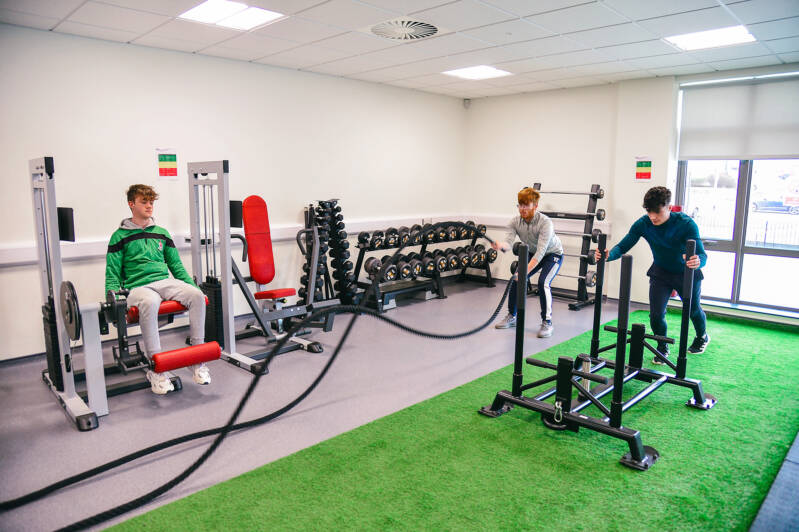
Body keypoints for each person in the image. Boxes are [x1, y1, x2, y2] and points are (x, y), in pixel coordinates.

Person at [105, 184, 210, 394]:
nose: (149, 206)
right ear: (131, 204)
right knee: (150, 302)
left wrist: (192, 286)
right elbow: (113, 272)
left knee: (196, 295)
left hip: (164, 282)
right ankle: (156, 369)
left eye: (151, 202)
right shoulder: (119, 236)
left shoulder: (162, 233)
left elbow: (177, 267)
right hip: (137, 286)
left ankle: (197, 359)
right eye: (144, 201)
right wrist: (112, 300)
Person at [595, 186, 709, 364]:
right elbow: (622, 246)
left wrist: (697, 262)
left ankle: (702, 336)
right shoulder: (643, 223)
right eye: (649, 211)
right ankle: (662, 346)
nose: (653, 216)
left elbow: (702, 255)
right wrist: (609, 255)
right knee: (656, 315)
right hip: (661, 272)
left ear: (669, 208)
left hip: (686, 273)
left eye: (657, 211)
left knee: (693, 310)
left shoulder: (686, 224)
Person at [493, 187, 564, 337]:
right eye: (520, 205)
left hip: (552, 254)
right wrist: (501, 246)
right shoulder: (515, 222)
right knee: (516, 279)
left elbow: (541, 252)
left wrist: (524, 272)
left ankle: (547, 322)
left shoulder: (545, 223)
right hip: (531, 253)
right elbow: (508, 242)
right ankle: (512, 316)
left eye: (526, 205)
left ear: (535, 206)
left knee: (543, 282)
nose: (522, 209)